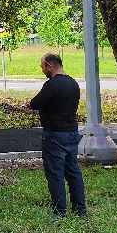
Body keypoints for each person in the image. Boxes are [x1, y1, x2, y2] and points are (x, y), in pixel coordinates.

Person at [26, 53, 86, 217]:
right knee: (73, 171)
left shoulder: (51, 85)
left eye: (42, 66)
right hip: (72, 133)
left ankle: (60, 211)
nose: (42, 69)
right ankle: (80, 209)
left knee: (55, 173)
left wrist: (29, 104)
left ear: (49, 66)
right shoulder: (73, 83)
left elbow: (37, 103)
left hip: (54, 135)